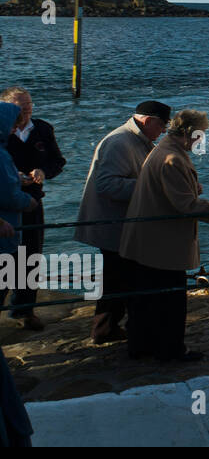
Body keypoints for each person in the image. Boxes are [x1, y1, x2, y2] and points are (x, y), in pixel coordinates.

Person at [118, 110, 209, 362]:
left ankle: (140, 347)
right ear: (190, 133)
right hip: (162, 245)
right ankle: (171, 351)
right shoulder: (172, 159)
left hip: (147, 241)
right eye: (201, 135)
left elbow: (171, 192)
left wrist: (190, 187)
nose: (202, 140)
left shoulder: (162, 150)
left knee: (147, 300)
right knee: (171, 302)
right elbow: (186, 205)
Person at [74, 101, 170, 344]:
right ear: (148, 121)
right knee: (121, 279)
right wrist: (153, 186)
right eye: (162, 125)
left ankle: (107, 328)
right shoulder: (120, 142)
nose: (164, 131)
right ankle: (109, 329)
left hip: (120, 225)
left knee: (117, 279)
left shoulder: (133, 140)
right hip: (114, 226)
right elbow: (107, 185)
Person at [1, 87, 66, 330]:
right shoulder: (3, 132)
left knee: (30, 257)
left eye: (29, 105)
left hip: (33, 202)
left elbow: (57, 161)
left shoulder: (42, 129)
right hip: (5, 205)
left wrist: (43, 172)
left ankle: (24, 310)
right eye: (21, 106)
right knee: (5, 257)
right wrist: (13, 177)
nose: (27, 110)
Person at [0, 102, 36, 320]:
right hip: (5, 235)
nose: (15, 129)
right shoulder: (2, 155)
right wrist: (28, 201)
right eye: (12, 124)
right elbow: (8, 195)